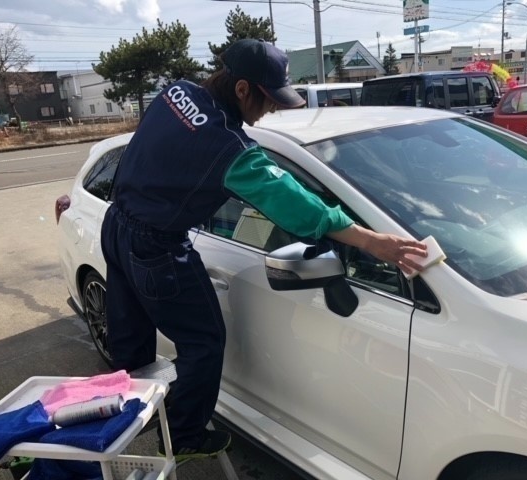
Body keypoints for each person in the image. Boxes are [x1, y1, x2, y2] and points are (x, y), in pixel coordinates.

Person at [100, 38, 428, 463]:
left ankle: (116, 417)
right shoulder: (228, 149)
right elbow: (293, 202)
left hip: (117, 224)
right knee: (204, 342)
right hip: (156, 249)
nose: (271, 109)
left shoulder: (175, 92)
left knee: (130, 338)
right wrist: (370, 240)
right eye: (269, 99)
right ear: (242, 89)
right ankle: (183, 437)